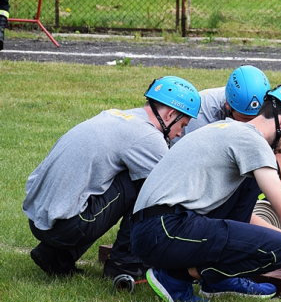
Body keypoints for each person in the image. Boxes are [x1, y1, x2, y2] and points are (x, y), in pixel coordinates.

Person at [131, 86, 281, 302]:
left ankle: (218, 282)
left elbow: (242, 217)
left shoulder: (230, 130)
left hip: (154, 228)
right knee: (278, 250)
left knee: (252, 191)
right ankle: (173, 278)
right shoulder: (254, 143)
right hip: (163, 230)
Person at [23, 76, 200, 278]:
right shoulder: (149, 137)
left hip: (37, 220)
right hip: (65, 228)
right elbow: (169, 192)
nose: (179, 134)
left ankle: (54, 256)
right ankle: (125, 264)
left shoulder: (116, 116)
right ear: (170, 115)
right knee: (146, 186)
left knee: (106, 184)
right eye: (183, 125)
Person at [176, 65, 281, 227]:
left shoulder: (271, 117)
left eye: (255, 117)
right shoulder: (199, 117)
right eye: (244, 118)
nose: (252, 125)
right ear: (228, 106)